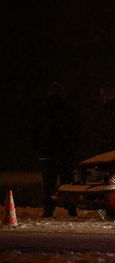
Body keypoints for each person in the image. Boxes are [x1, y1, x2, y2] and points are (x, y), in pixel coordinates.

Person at [32, 82, 79, 217]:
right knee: (67, 183)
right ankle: (71, 208)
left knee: (48, 184)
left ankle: (48, 209)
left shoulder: (42, 109)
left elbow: (35, 131)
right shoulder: (68, 109)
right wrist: (71, 148)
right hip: (64, 153)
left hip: (47, 153)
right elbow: (75, 131)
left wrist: (39, 147)